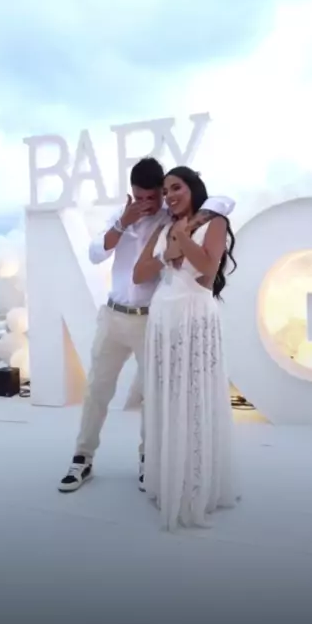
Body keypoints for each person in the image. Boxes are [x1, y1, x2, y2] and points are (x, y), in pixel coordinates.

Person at [133, 166, 238, 531]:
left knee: (194, 398)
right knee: (167, 398)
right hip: (163, 321)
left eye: (176, 187)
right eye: (165, 191)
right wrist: (168, 252)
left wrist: (183, 236)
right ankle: (168, 479)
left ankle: (194, 486)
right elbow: (139, 273)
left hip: (195, 317)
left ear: (192, 187)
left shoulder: (214, 222)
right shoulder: (163, 228)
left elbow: (207, 268)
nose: (170, 195)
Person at [58, 157, 167, 493]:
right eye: (140, 197)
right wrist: (123, 223)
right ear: (131, 192)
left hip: (150, 320)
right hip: (113, 316)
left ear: (162, 192)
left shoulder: (169, 219)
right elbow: (95, 254)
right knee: (96, 390)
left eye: (153, 197)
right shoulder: (121, 217)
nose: (146, 204)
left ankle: (149, 460)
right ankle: (82, 458)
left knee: (152, 395)